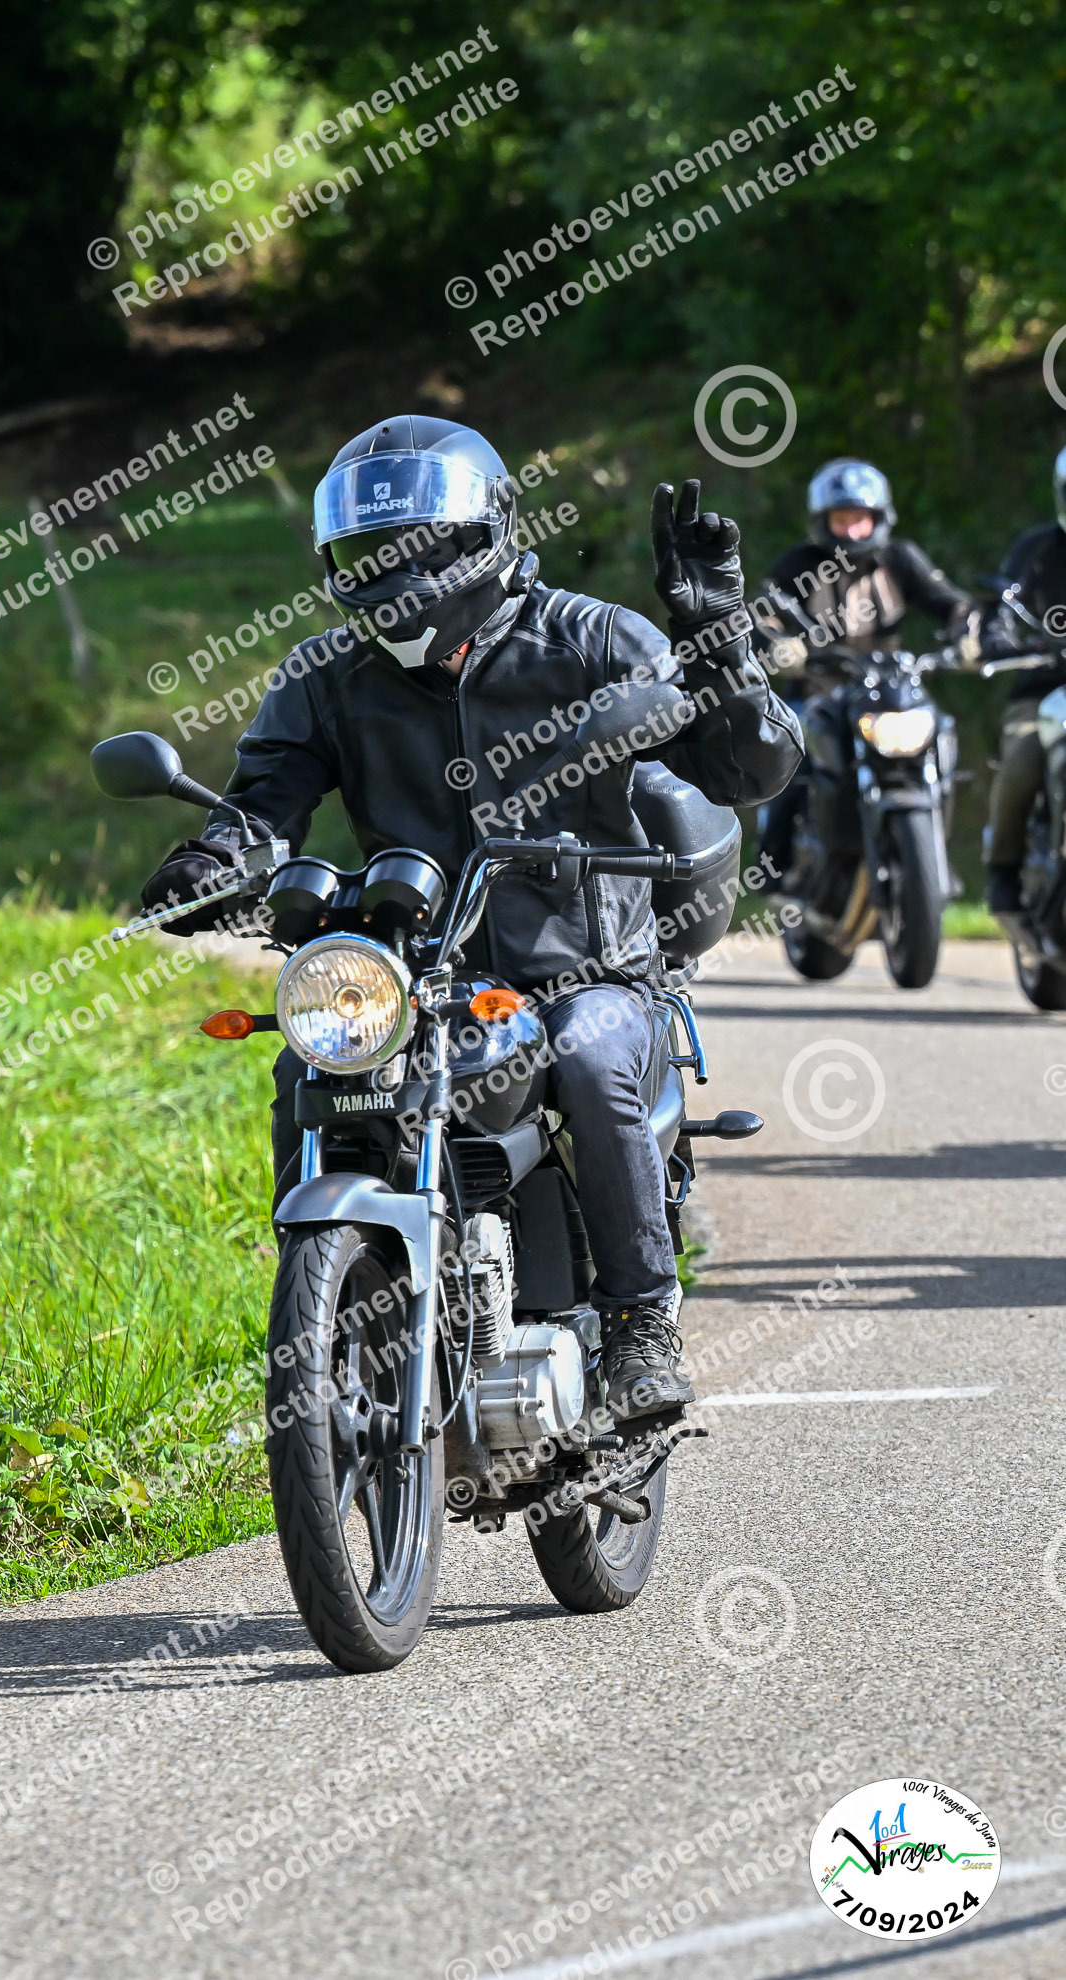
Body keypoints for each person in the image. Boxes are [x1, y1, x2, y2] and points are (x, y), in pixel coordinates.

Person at [142, 415, 802, 1419]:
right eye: (368, 555)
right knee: (310, 1064)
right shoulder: (325, 677)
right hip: (417, 974)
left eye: (414, 550)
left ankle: (640, 1322)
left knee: (589, 1055)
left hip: (584, 967)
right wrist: (214, 861)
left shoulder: (591, 639)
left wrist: (721, 646)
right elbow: (263, 804)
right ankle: (333, 1314)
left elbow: (750, 770)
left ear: (480, 537)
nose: (392, 577)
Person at [754, 458, 974, 880]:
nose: (852, 530)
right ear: (823, 522)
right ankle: (774, 869)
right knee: (790, 759)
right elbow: (764, 613)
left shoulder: (900, 558)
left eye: (861, 518)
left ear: (879, 518)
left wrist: (968, 631)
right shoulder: (799, 563)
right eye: (842, 519)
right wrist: (780, 646)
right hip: (818, 692)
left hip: (889, 691)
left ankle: (934, 858)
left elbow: (950, 601)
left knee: (941, 734)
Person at [979, 445, 1066, 914]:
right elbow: (1003, 605)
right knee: (1026, 754)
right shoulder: (1037, 549)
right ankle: (1003, 870)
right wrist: (999, 636)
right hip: (1042, 691)